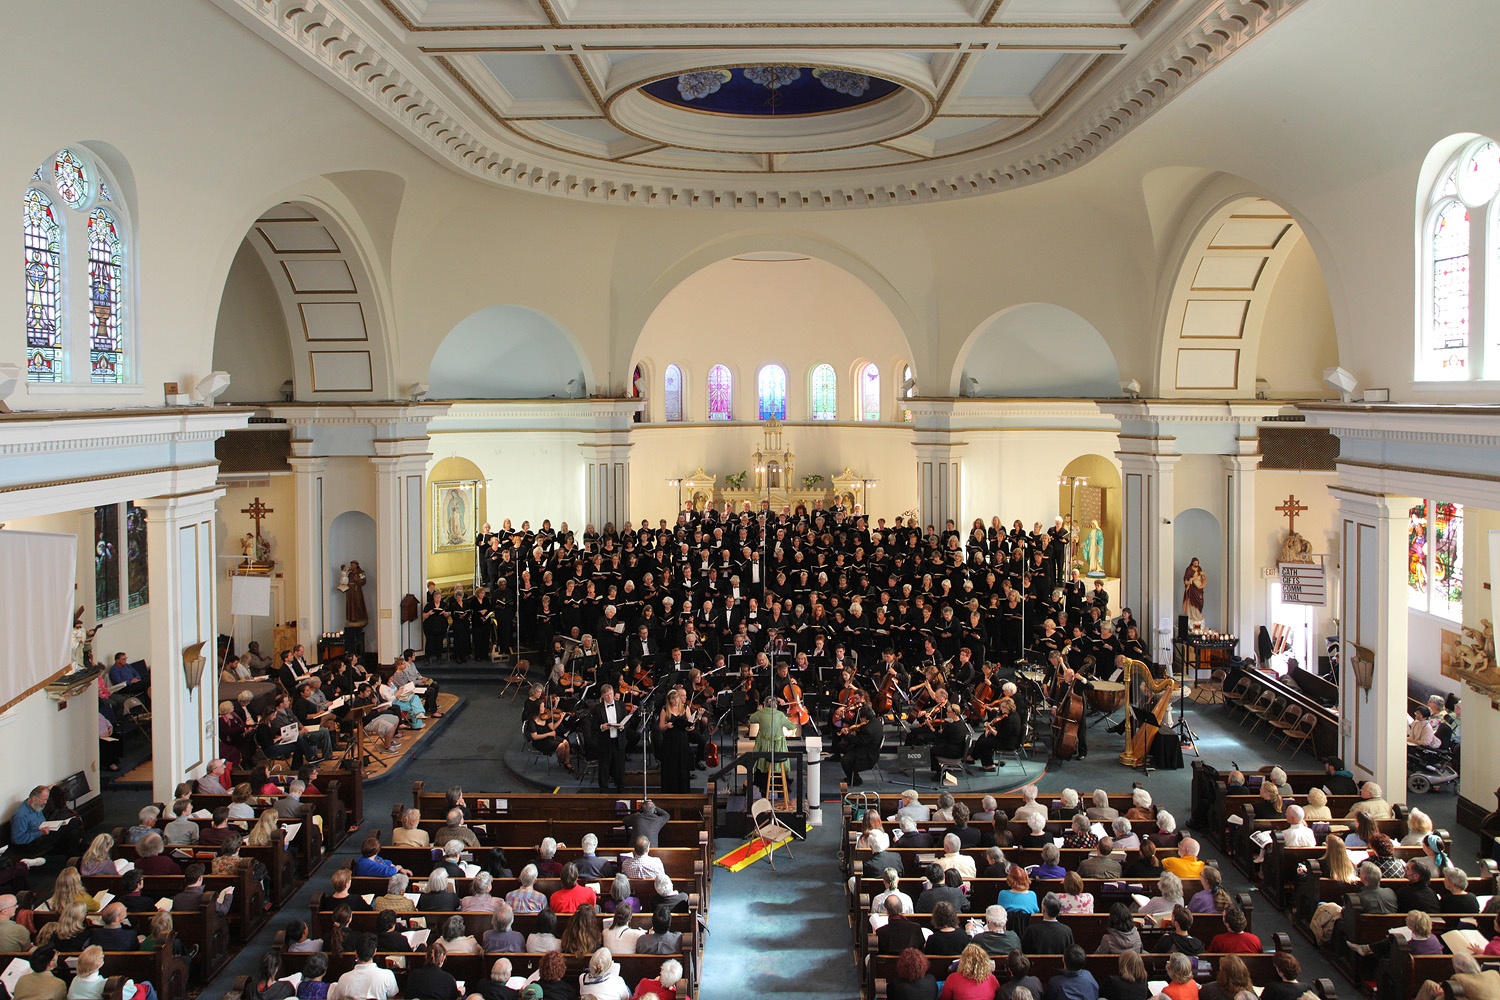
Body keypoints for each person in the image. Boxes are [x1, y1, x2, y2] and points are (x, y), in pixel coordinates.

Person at [10, 785, 82, 858]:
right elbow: (17, 839)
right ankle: (76, 858)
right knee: (71, 826)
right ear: (34, 798)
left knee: (73, 832)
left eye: (46, 799)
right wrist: (40, 833)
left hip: (43, 832)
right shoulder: (20, 816)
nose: (45, 802)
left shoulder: (35, 804)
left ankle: (75, 858)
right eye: (44, 799)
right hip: (32, 843)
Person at [330, 933, 399, 1000]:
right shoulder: (387, 975)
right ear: (374, 952)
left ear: (356, 953)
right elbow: (392, 996)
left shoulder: (343, 979)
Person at [655, 688, 697, 794]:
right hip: (670, 741)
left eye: (677, 698)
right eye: (673, 699)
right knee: (671, 765)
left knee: (682, 764)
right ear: (669, 700)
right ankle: (669, 790)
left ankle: (683, 790)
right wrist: (666, 726)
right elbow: (660, 726)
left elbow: (690, 722)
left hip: (682, 739)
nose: (676, 701)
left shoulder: (685, 707)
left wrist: (690, 727)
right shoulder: (665, 709)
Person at [591, 685, 629, 792]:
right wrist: (602, 727)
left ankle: (620, 786)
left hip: (618, 740)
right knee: (604, 765)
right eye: (606, 695)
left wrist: (623, 726)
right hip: (605, 741)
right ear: (602, 696)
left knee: (619, 765)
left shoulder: (621, 705)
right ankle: (603, 787)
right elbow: (593, 726)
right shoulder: (597, 708)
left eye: (611, 694)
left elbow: (628, 721)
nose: (609, 697)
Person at [1414, 953, 1500, 1000]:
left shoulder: (1459, 978)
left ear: (1459, 969)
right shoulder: (1493, 974)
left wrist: (1439, 995)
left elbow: (1449, 996)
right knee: (1428, 984)